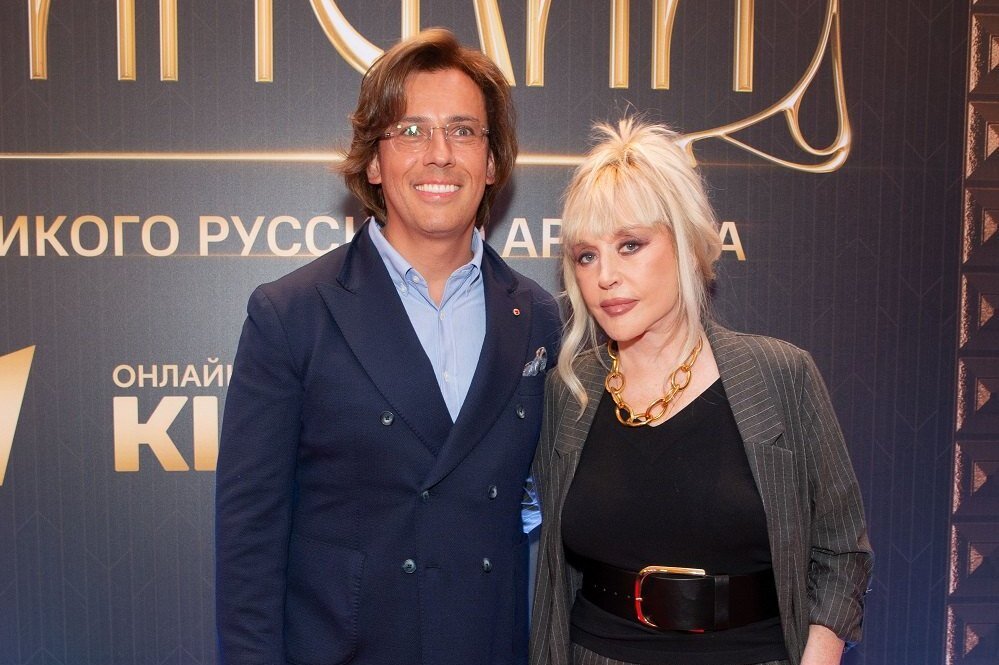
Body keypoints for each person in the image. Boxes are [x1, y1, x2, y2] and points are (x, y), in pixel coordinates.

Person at [215, 28, 560, 665]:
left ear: (492, 162)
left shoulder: (537, 316)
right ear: (374, 162)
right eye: (410, 131)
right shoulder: (292, 314)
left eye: (463, 131)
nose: (439, 154)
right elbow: (249, 542)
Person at [528, 118, 872, 665]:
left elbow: (841, 552)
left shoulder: (781, 376)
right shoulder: (568, 393)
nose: (604, 275)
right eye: (586, 255)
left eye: (630, 245)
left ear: (688, 246)